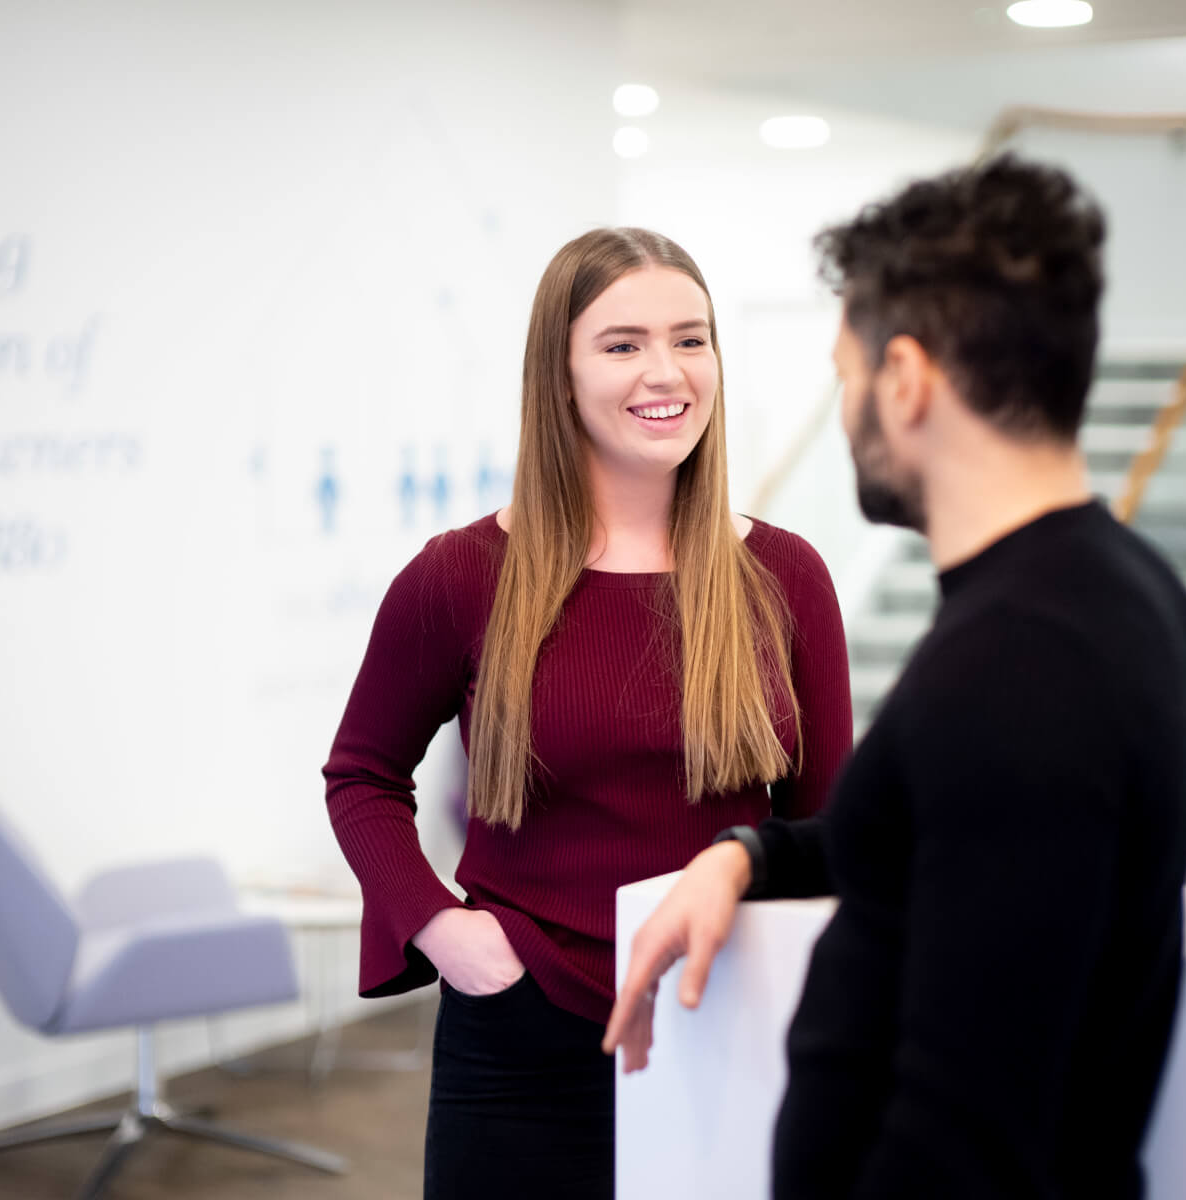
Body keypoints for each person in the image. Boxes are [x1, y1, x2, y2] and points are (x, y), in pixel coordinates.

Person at [604, 157, 1186, 1199]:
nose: (845, 412)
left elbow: (965, 1140)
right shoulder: (1118, 587)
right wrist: (748, 856)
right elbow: (942, 832)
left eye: (847, 376)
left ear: (908, 382)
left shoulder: (1021, 665)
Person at [322, 227, 853, 1199]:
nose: (667, 372)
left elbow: (828, 830)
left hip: (723, 1018)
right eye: (622, 344)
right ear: (559, 376)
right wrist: (442, 930)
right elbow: (362, 775)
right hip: (520, 1043)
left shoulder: (784, 576)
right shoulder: (462, 576)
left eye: (690, 339)